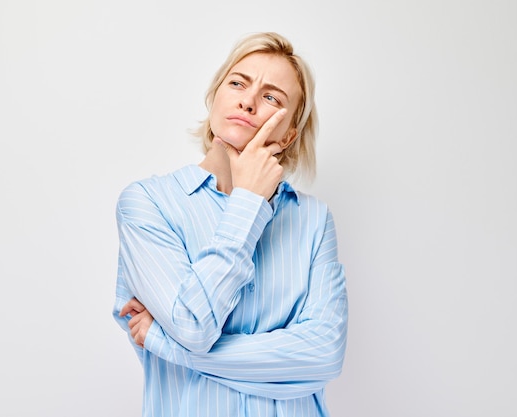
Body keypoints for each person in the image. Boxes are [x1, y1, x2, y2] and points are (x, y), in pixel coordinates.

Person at [113, 31, 348, 417]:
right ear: (215, 98)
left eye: (272, 97)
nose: (249, 100)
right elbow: (193, 326)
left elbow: (322, 355)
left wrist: (170, 347)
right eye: (237, 82)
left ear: (289, 133)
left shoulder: (313, 219)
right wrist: (249, 203)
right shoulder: (148, 204)